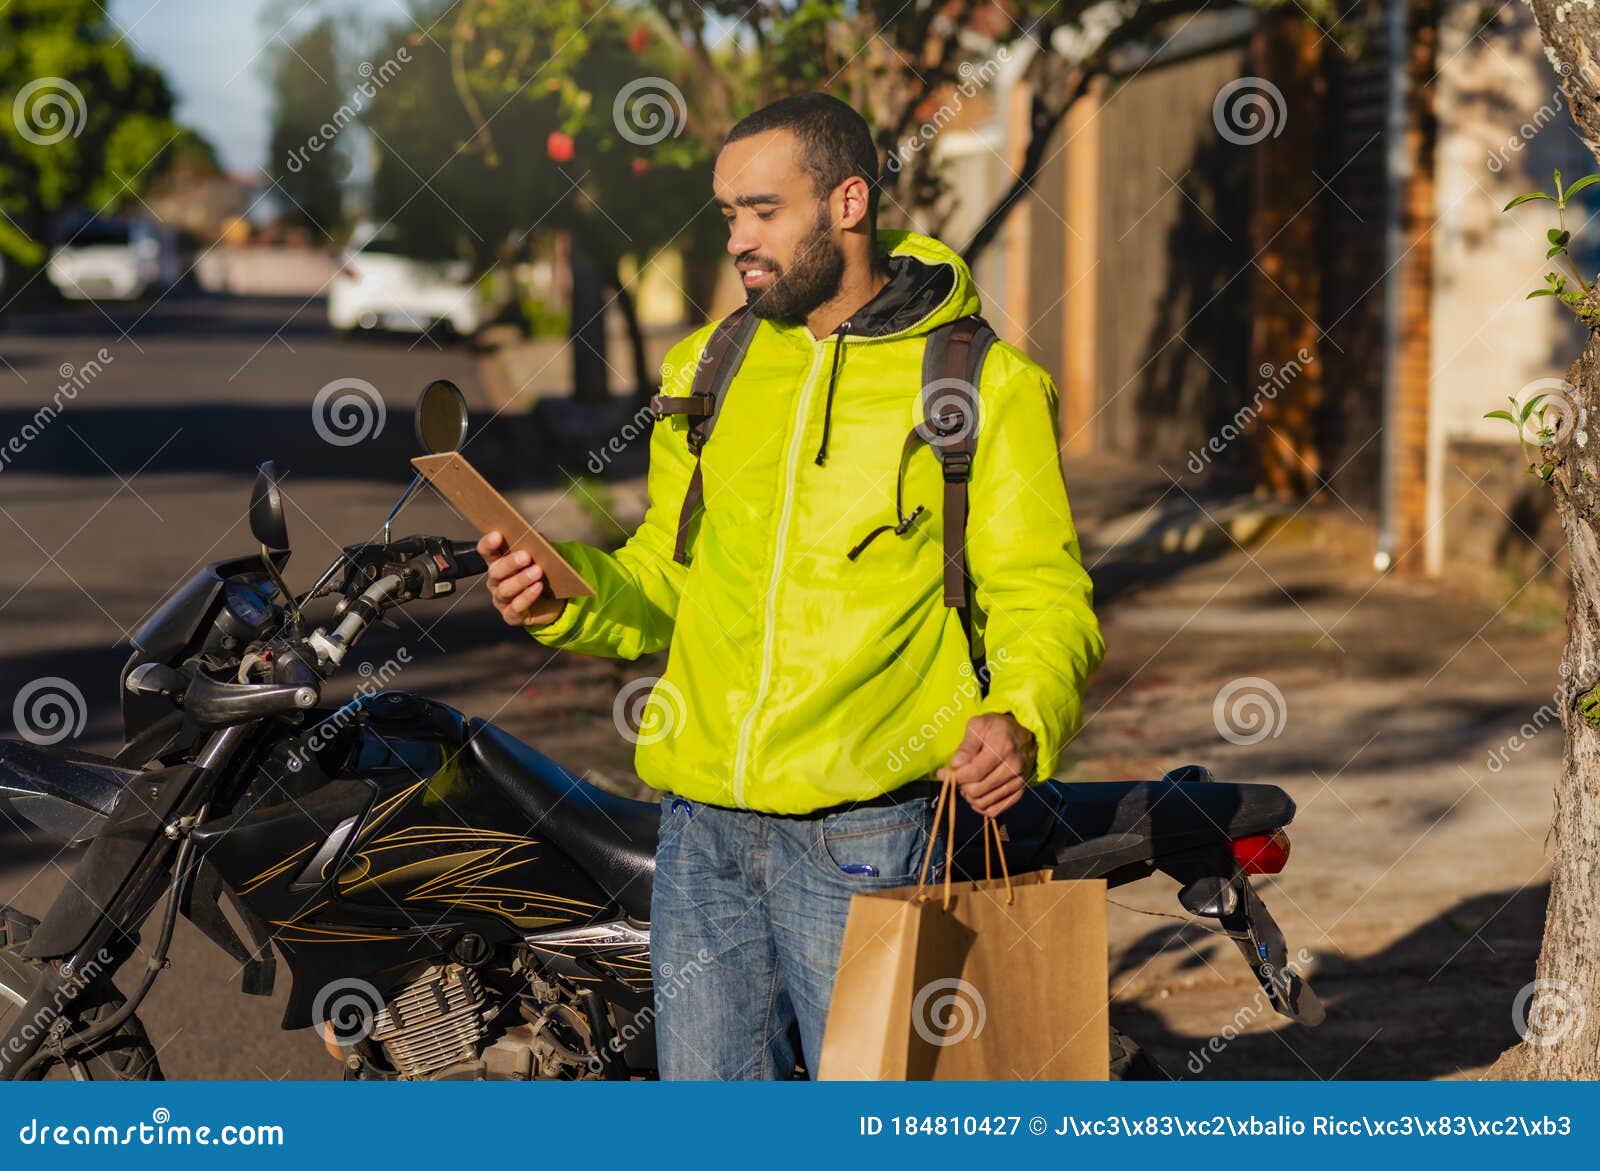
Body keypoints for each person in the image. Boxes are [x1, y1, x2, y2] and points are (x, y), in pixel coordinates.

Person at [478, 92, 1103, 1079]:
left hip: (869, 834)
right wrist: (564, 596)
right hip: (701, 836)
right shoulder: (712, 365)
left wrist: (1019, 715)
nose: (739, 238)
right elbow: (663, 575)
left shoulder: (981, 384)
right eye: (728, 213)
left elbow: (1040, 590)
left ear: (847, 202)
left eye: (762, 209)